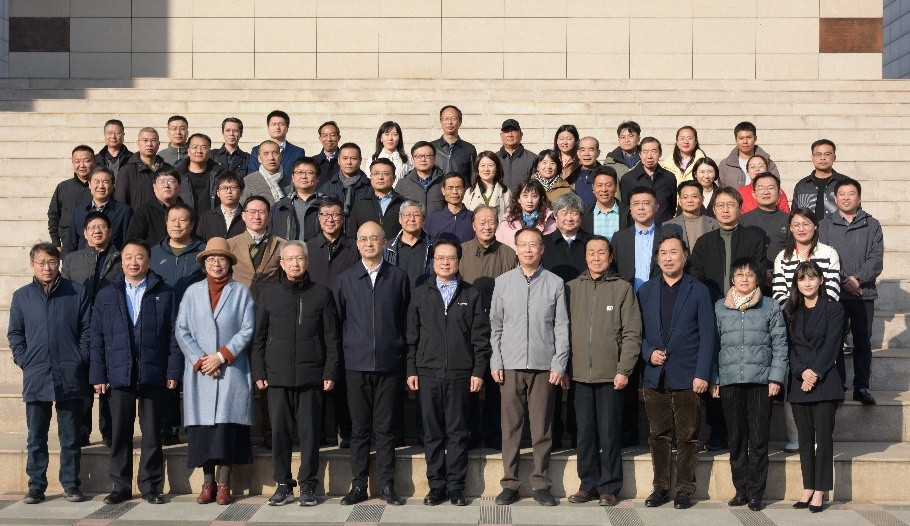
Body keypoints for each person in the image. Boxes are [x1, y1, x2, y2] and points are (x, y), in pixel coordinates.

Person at [89, 239, 182, 505]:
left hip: (153, 371)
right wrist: (98, 374)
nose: (133, 262)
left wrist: (173, 370)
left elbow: (174, 336)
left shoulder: (165, 292)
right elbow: (96, 337)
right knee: (120, 433)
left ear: (149, 261)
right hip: (119, 373)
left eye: (139, 257)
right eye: (128, 257)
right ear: (121, 262)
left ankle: (150, 486)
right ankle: (120, 486)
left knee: (152, 433)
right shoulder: (107, 293)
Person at [253, 241, 341, 507]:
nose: (294, 263)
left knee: (310, 434)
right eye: (289, 259)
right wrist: (259, 370)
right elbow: (259, 338)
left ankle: (309, 485)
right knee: (280, 434)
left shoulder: (321, 294)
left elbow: (332, 339)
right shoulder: (269, 294)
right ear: (281, 263)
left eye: (299, 258)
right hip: (277, 377)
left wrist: (330, 371)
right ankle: (283, 484)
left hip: (311, 377)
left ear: (307, 262)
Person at [407, 238, 490, 507]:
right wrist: (412, 369)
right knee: (432, 433)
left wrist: (478, 371)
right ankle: (436, 486)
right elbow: (412, 337)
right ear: (432, 262)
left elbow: (480, 338)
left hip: (460, 375)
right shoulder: (420, 293)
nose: (445, 262)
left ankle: (455, 486)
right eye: (440, 258)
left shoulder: (470, 294)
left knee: (458, 432)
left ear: (458, 261)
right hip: (428, 373)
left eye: (451, 258)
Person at [490, 227, 569, 507]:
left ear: (541, 249)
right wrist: (496, 360)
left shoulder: (555, 283)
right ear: (516, 249)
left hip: (543, 365)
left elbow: (561, 327)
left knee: (541, 428)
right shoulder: (503, 283)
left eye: (533, 245)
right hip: (510, 365)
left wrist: (559, 363)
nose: (527, 250)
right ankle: (510, 483)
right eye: (522, 245)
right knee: (511, 427)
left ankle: (541, 483)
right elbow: (496, 326)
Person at [333, 222, 411, 506]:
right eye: (363, 239)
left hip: (389, 364)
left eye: (374, 238)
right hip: (356, 364)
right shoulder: (345, 278)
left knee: (386, 429)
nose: (369, 243)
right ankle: (358, 485)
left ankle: (387, 485)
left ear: (384, 242)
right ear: (357, 244)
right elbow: (338, 321)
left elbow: (404, 319)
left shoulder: (398, 277)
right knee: (360, 428)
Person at [9, 243, 91, 504]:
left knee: (70, 436)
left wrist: (79, 358)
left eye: (52, 262)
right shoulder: (21, 296)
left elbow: (87, 329)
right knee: (36, 437)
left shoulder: (76, 292)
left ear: (59, 264)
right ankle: (36, 486)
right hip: (37, 374)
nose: (47, 267)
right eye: (41, 262)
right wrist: (24, 360)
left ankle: (71, 484)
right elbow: (15, 334)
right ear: (32, 265)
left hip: (70, 373)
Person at [176, 237, 255, 506]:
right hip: (201, 372)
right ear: (204, 263)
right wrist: (202, 360)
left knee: (225, 428)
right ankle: (207, 483)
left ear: (229, 263)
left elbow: (247, 329)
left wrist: (221, 356)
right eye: (211, 259)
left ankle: (224, 484)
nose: (216, 264)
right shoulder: (192, 292)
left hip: (230, 370)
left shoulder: (241, 292)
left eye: (221, 259)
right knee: (203, 431)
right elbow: (182, 330)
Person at [639, 234, 716, 510]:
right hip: (655, 374)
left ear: (684, 256)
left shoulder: (699, 290)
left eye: (674, 252)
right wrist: (648, 352)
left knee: (688, 435)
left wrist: (703, 373)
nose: (668, 258)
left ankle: (684, 489)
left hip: (688, 374)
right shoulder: (646, 290)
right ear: (657, 258)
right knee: (658, 435)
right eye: (663, 253)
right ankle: (660, 487)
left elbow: (708, 335)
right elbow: (636, 332)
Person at [689, 186, 768, 451]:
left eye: (730, 205)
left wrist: (740, 299)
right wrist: (720, 304)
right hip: (715, 314)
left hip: (748, 314)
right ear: (713, 209)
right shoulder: (704, 242)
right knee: (716, 371)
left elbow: (758, 273)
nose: (725, 210)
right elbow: (697, 276)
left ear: (740, 208)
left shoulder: (753, 239)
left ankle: (745, 433)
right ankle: (717, 433)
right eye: (720, 205)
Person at [565, 235, 641, 507]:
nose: (596, 257)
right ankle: (587, 484)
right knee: (585, 433)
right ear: (585, 257)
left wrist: (624, 369)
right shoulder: (571, 288)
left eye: (601, 253)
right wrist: (564, 368)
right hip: (579, 375)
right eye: (591, 253)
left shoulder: (622, 289)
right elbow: (562, 331)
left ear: (610, 257)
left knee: (609, 433)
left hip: (611, 375)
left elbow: (632, 333)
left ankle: (609, 487)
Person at [711, 257, 788, 512]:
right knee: (735, 438)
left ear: (758, 279)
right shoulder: (720, 307)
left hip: (760, 382)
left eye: (750, 275)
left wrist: (776, 378)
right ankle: (740, 489)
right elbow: (714, 345)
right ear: (732, 279)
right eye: (739, 274)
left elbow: (780, 345)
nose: (744, 279)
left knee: (758, 439)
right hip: (730, 381)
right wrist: (715, 379)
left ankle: (756, 492)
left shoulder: (770, 306)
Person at [771, 208, 841, 451]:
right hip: (793, 321)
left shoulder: (828, 253)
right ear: (790, 229)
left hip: (823, 321)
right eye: (796, 224)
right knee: (795, 376)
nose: (801, 228)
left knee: (822, 373)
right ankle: (796, 437)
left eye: (806, 223)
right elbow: (779, 292)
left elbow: (832, 290)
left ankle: (821, 435)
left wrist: (817, 316)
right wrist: (796, 314)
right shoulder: (783, 257)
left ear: (815, 226)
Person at [784, 261, 845, 513]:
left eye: (812, 278)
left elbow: (832, 345)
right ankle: (808, 486)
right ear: (796, 283)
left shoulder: (834, 309)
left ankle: (821, 490)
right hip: (800, 382)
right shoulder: (790, 311)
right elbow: (789, 347)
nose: (807, 283)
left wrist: (816, 373)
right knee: (805, 440)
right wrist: (802, 372)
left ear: (821, 280)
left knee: (824, 439)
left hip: (825, 381)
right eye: (802, 279)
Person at [819, 178, 884, 406]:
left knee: (862, 342)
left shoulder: (872, 224)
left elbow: (876, 258)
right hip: (834, 293)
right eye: (842, 194)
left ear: (859, 197)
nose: (846, 198)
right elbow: (823, 257)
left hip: (863, 293)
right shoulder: (825, 225)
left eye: (851, 193)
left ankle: (861, 386)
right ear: (835, 198)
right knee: (835, 341)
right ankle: (838, 386)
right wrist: (843, 281)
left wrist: (857, 279)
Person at [62, 212, 123, 447]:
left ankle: (109, 432)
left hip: (112, 329)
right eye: (92, 227)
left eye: (102, 226)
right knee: (82, 384)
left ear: (110, 231)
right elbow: (65, 295)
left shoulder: (121, 258)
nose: (97, 230)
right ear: (85, 233)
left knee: (109, 384)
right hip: (81, 329)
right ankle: (82, 431)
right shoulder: (72, 260)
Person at [459, 205, 516, 450]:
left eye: (491, 221)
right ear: (473, 224)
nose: (486, 226)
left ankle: (494, 435)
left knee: (496, 385)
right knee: (469, 384)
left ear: (497, 223)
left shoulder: (509, 254)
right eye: (481, 222)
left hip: (499, 330)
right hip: (467, 329)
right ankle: (470, 434)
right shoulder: (461, 252)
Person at [151, 203, 206, 447]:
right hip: (163, 323)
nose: (176, 224)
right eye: (172, 220)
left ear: (191, 224)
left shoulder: (203, 252)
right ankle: (169, 427)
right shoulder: (154, 253)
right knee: (169, 375)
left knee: (196, 376)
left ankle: (197, 427)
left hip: (196, 324)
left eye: (182, 220)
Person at [306, 198, 358, 448]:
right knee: (316, 377)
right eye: (325, 215)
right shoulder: (308, 248)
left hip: (346, 321)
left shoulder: (354, 247)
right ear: (318, 218)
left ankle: (344, 429)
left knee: (343, 379)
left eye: (335, 215)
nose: (330, 219)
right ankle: (318, 431)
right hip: (314, 323)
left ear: (343, 218)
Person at [612, 187, 684, 292]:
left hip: (661, 295)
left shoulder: (669, 235)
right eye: (636, 203)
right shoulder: (619, 238)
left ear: (656, 207)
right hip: (628, 297)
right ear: (630, 208)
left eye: (646, 203)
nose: (641, 208)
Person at [227, 196, 286, 302]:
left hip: (271, 302)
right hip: (238, 301)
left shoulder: (282, 245)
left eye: (261, 212)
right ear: (243, 216)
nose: (256, 216)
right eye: (252, 212)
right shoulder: (230, 244)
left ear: (269, 216)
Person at [740, 172, 790, 295]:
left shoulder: (790, 220)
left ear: (779, 193)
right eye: (761, 188)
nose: (766, 192)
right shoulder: (743, 220)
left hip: (784, 281)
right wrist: (761, 273)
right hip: (751, 282)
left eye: (771, 188)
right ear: (754, 194)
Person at [66, 166, 132, 253]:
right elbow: (71, 245)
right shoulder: (79, 211)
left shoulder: (124, 211)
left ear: (113, 185)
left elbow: (128, 244)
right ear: (89, 184)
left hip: (113, 259)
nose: (101, 186)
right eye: (96, 181)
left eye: (105, 182)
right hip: (83, 260)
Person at [619, 137, 677, 225]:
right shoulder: (628, 179)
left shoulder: (669, 178)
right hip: (638, 229)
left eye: (653, 151)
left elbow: (672, 207)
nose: (649, 156)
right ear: (640, 154)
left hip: (664, 229)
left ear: (660, 154)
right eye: (645, 152)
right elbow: (625, 209)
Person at [48, 145, 95, 251]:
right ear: (72, 163)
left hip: (95, 245)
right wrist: (56, 243)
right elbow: (53, 216)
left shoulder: (101, 187)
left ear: (94, 162)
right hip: (68, 245)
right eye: (77, 161)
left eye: (86, 161)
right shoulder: (63, 187)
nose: (82, 165)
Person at [115, 127, 171, 210]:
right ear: (138, 143)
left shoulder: (168, 169)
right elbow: (120, 203)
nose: (149, 144)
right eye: (145, 140)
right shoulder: (127, 170)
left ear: (159, 144)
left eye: (153, 140)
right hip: (137, 217)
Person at [125, 167, 183, 245]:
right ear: (154, 186)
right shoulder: (143, 212)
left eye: (171, 181)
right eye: (162, 181)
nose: (166, 185)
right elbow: (133, 242)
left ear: (179, 186)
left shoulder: (186, 212)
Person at [271, 157, 325, 242]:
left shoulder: (327, 204)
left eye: (309, 173)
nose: (304, 176)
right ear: (292, 177)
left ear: (317, 178)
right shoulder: (279, 207)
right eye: (299, 172)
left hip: (318, 250)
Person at [792, 139, 848, 221]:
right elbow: (794, 216)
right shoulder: (802, 185)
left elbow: (855, 213)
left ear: (834, 157)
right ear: (812, 158)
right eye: (818, 154)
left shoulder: (846, 183)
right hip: (809, 229)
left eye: (827, 154)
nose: (823, 158)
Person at [348, 158, 405, 239]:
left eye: (386, 174)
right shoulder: (360, 204)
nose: (380, 177)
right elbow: (352, 236)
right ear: (370, 177)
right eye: (376, 173)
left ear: (394, 178)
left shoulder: (403, 204)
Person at [541, 192, 590, 283]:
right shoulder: (543, 243)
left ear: (581, 216)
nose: (569, 218)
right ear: (555, 216)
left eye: (574, 213)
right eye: (564, 213)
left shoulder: (592, 242)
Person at [383, 201, 434, 289]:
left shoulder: (434, 246)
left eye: (416, 215)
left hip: (425, 295)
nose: (411, 219)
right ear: (400, 219)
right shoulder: (387, 248)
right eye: (407, 215)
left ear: (423, 219)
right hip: (397, 295)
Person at [495, 179, 556, 250]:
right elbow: (499, 248)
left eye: (534, 196)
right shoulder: (507, 222)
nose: (529, 200)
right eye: (525, 196)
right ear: (518, 199)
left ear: (540, 199)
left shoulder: (551, 222)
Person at [318, 142, 373, 218]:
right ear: (338, 160)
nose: (349, 162)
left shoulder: (371, 187)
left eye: (353, 158)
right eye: (345, 158)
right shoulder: (327, 188)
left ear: (360, 161)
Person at [718, 121, 780, 188]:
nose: (745, 142)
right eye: (741, 138)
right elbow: (721, 189)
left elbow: (775, 187)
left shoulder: (768, 163)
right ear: (736, 140)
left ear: (755, 139)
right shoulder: (725, 165)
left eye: (749, 137)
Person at [176, 133, 224, 215]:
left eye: (204, 147)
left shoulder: (219, 175)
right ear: (188, 151)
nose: (199, 151)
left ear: (210, 152)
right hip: (186, 220)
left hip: (213, 220)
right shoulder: (177, 175)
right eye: (195, 147)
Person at [395, 141, 446, 216]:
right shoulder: (403, 183)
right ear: (412, 159)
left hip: (438, 223)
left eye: (427, 156)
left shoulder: (444, 181)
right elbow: (396, 210)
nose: (423, 159)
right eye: (419, 156)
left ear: (434, 158)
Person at [247, 110, 305, 176]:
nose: (277, 127)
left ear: (287, 128)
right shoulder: (256, 150)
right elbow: (252, 175)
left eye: (281, 124)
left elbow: (299, 176)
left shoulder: (298, 152)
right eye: (274, 124)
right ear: (268, 127)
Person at [666, 180, 719, 250]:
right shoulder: (668, 226)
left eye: (694, 196)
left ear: (702, 199)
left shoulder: (714, 224)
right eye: (685, 197)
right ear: (679, 201)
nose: (690, 200)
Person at [580, 166, 629, 241]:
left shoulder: (628, 213)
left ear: (616, 187)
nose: (604, 190)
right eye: (599, 185)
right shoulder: (585, 214)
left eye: (608, 185)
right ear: (593, 187)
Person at [195, 171, 246, 241]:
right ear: (218, 193)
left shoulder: (248, 216)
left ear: (241, 192)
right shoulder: (206, 217)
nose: (229, 191)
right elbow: (200, 242)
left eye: (233, 187)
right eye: (224, 188)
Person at [424, 172, 474, 243]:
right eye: (450, 188)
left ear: (464, 190)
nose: (454, 192)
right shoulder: (432, 220)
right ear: (443, 191)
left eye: (458, 188)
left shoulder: (474, 218)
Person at [433, 105, 476, 184]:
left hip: (461, 191)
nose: (449, 122)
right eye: (446, 118)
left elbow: (473, 178)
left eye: (453, 118)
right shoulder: (432, 148)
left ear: (460, 122)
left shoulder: (469, 149)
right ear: (441, 122)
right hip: (438, 191)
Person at [464, 151, 511, 221]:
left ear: (496, 169)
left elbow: (510, 219)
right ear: (477, 169)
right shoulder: (469, 193)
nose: (486, 169)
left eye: (490, 165)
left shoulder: (505, 192)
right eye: (482, 165)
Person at [241, 140, 287, 207]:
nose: (271, 158)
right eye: (265, 154)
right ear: (259, 158)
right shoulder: (248, 181)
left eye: (274, 153)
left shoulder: (291, 180)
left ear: (280, 156)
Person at [496, 119, 536, 191]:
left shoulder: (533, 159)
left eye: (514, 131)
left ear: (521, 135)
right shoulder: (494, 159)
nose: (510, 135)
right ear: (501, 136)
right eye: (506, 131)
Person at [571, 136, 604, 207]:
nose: (586, 154)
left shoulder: (607, 176)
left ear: (598, 153)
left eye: (591, 150)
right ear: (578, 153)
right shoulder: (572, 177)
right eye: (583, 150)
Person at [312, 121, 341, 187]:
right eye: (325, 135)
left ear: (338, 137)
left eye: (332, 135)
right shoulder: (313, 162)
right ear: (320, 138)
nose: (329, 139)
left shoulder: (345, 161)